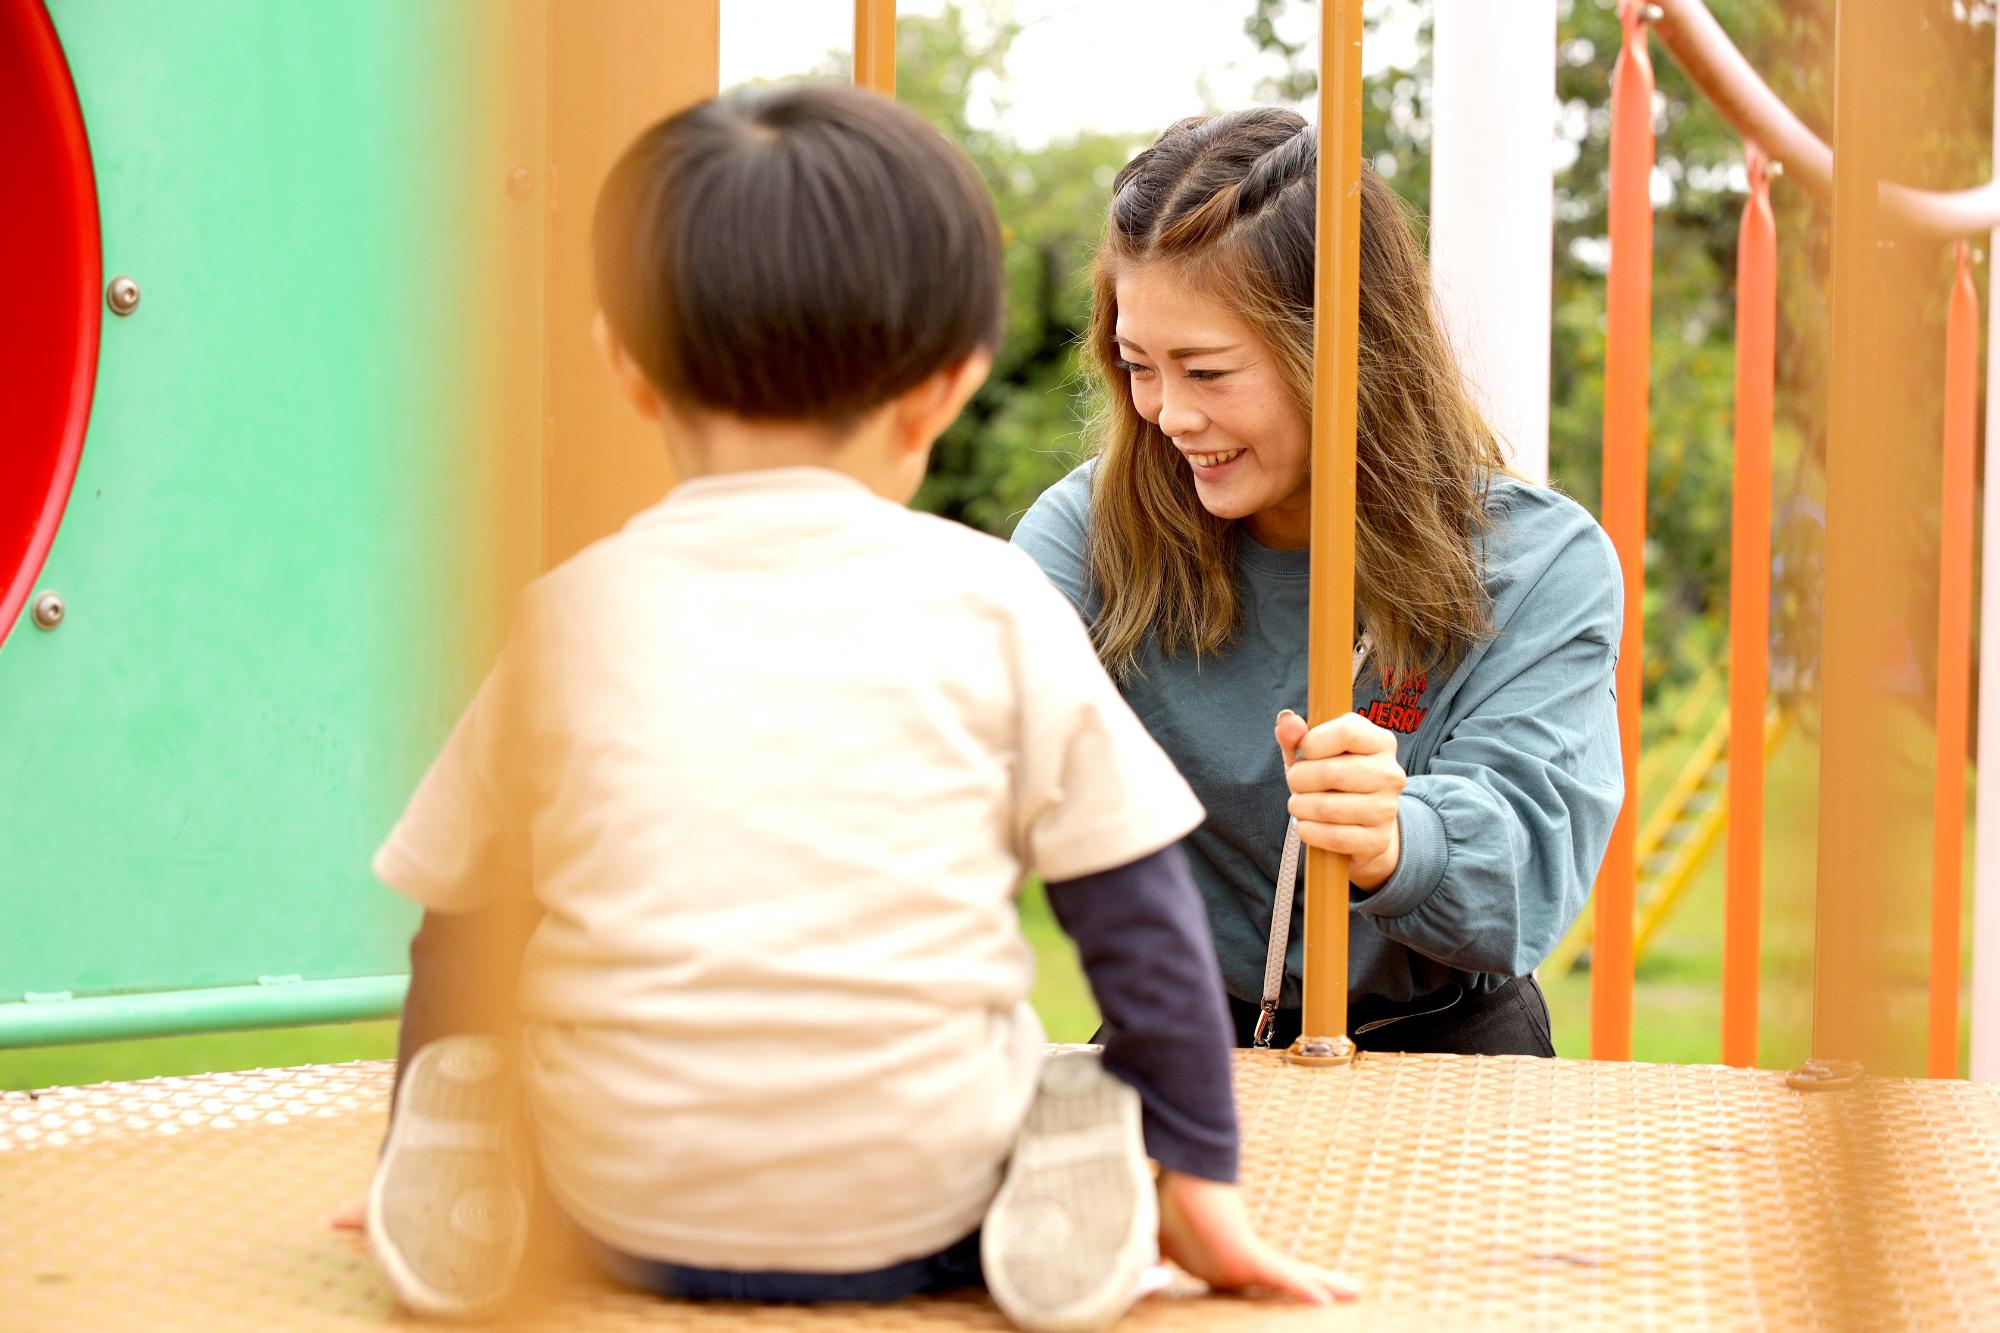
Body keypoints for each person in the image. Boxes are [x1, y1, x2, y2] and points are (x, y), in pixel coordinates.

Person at [355, 85, 1352, 1329]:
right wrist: (1199, 1175)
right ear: (948, 384)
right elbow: (1140, 924)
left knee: (498, 1060)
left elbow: (462, 926)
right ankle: (1055, 1166)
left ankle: (468, 1155)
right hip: (920, 1216)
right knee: (1064, 1082)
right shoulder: (991, 604)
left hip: (618, 1215)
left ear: (627, 366)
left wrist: (416, 1120)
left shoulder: (563, 616)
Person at [1011, 107, 1624, 1055]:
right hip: (1181, 1036)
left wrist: (1397, 839)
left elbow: (1528, 879)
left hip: (1448, 1047)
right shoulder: (1093, 533)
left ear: (1347, 354)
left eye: (1209, 371)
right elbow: (975, 732)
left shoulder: (1538, 563)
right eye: (1139, 366)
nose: (1169, 414)